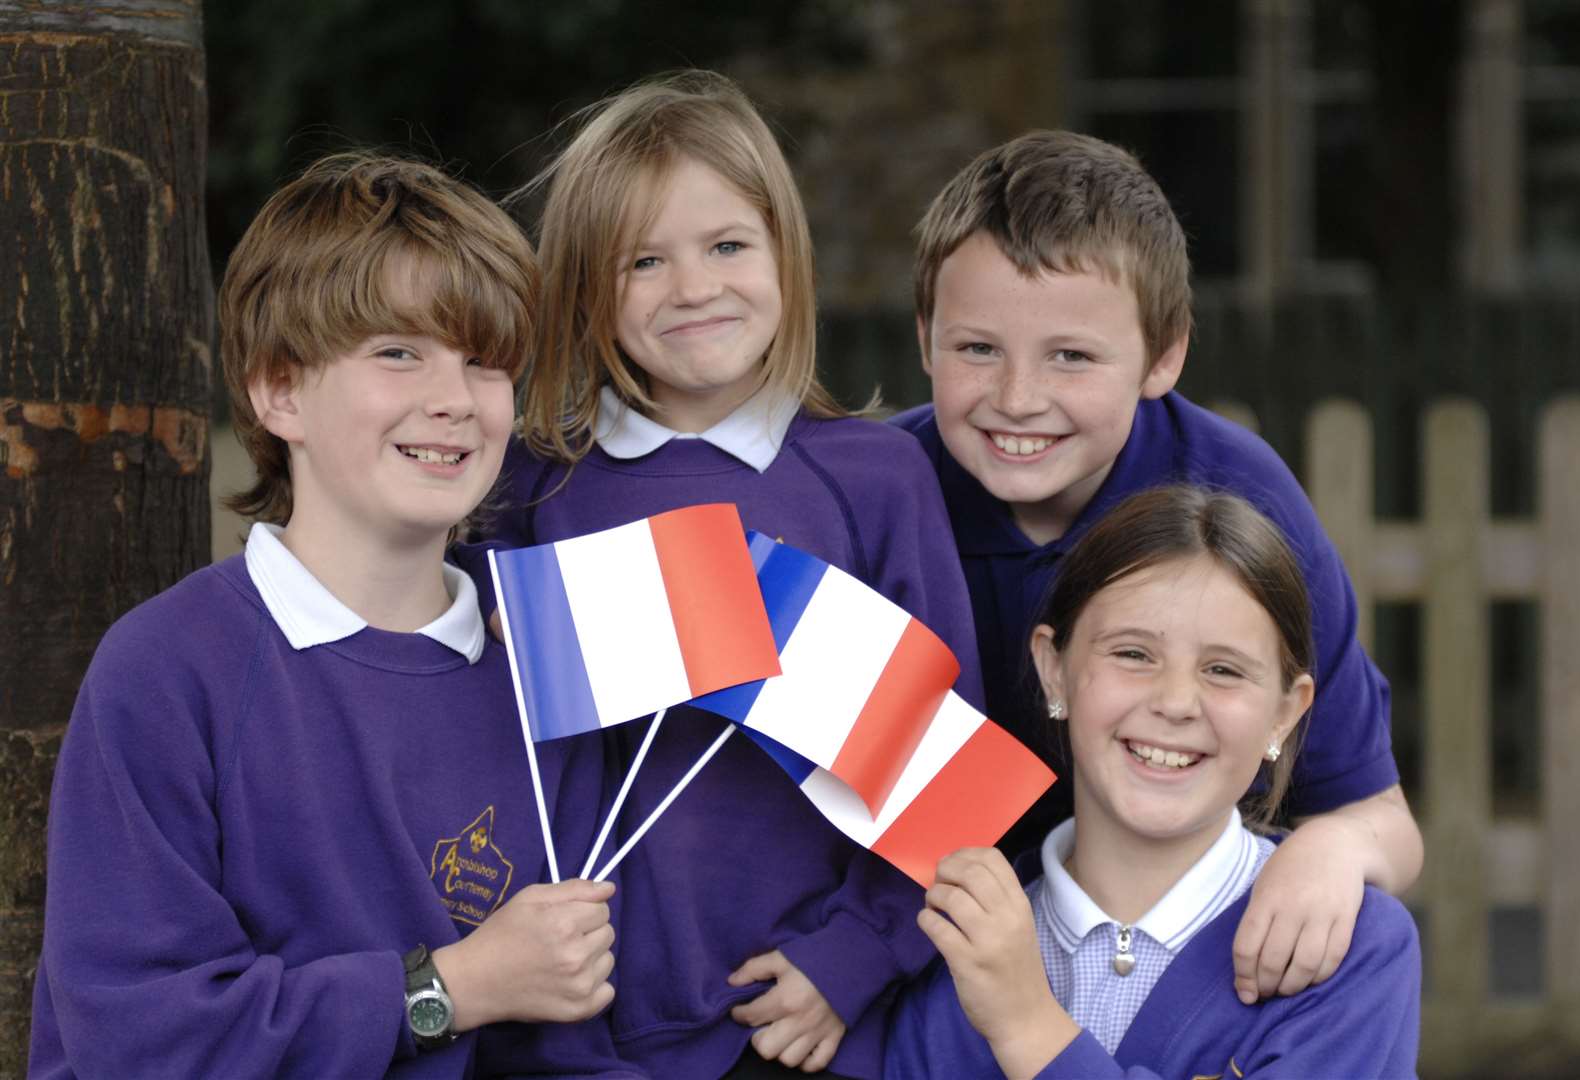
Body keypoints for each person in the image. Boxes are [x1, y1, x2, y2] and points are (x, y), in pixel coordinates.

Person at [29, 154, 628, 1078]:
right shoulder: (167, 670)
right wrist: (451, 987)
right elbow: (141, 1039)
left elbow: (574, 1038)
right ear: (279, 392)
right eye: (398, 352)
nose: (454, 399)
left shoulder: (540, 661)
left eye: (485, 361)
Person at [467, 70, 979, 1080]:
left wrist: (855, 956)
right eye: (643, 261)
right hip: (569, 1018)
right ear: (582, 289)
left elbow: (946, 773)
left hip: (801, 1018)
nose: (694, 288)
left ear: (787, 255)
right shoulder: (525, 487)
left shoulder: (873, 480)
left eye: (728, 246)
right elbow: (475, 742)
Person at [890, 130, 1423, 1003]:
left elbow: (1384, 819)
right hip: (928, 966)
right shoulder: (877, 500)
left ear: (1164, 357)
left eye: (1072, 355)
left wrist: (1331, 849)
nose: (1018, 397)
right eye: (977, 348)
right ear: (925, 337)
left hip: (1184, 967)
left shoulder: (1242, 505)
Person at [887, 485, 1421, 1079]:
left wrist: (1026, 1026)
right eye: (1133, 654)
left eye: (1223, 670)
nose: (1175, 703)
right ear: (1055, 670)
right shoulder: (951, 933)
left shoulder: (1353, 948)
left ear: (1284, 714)